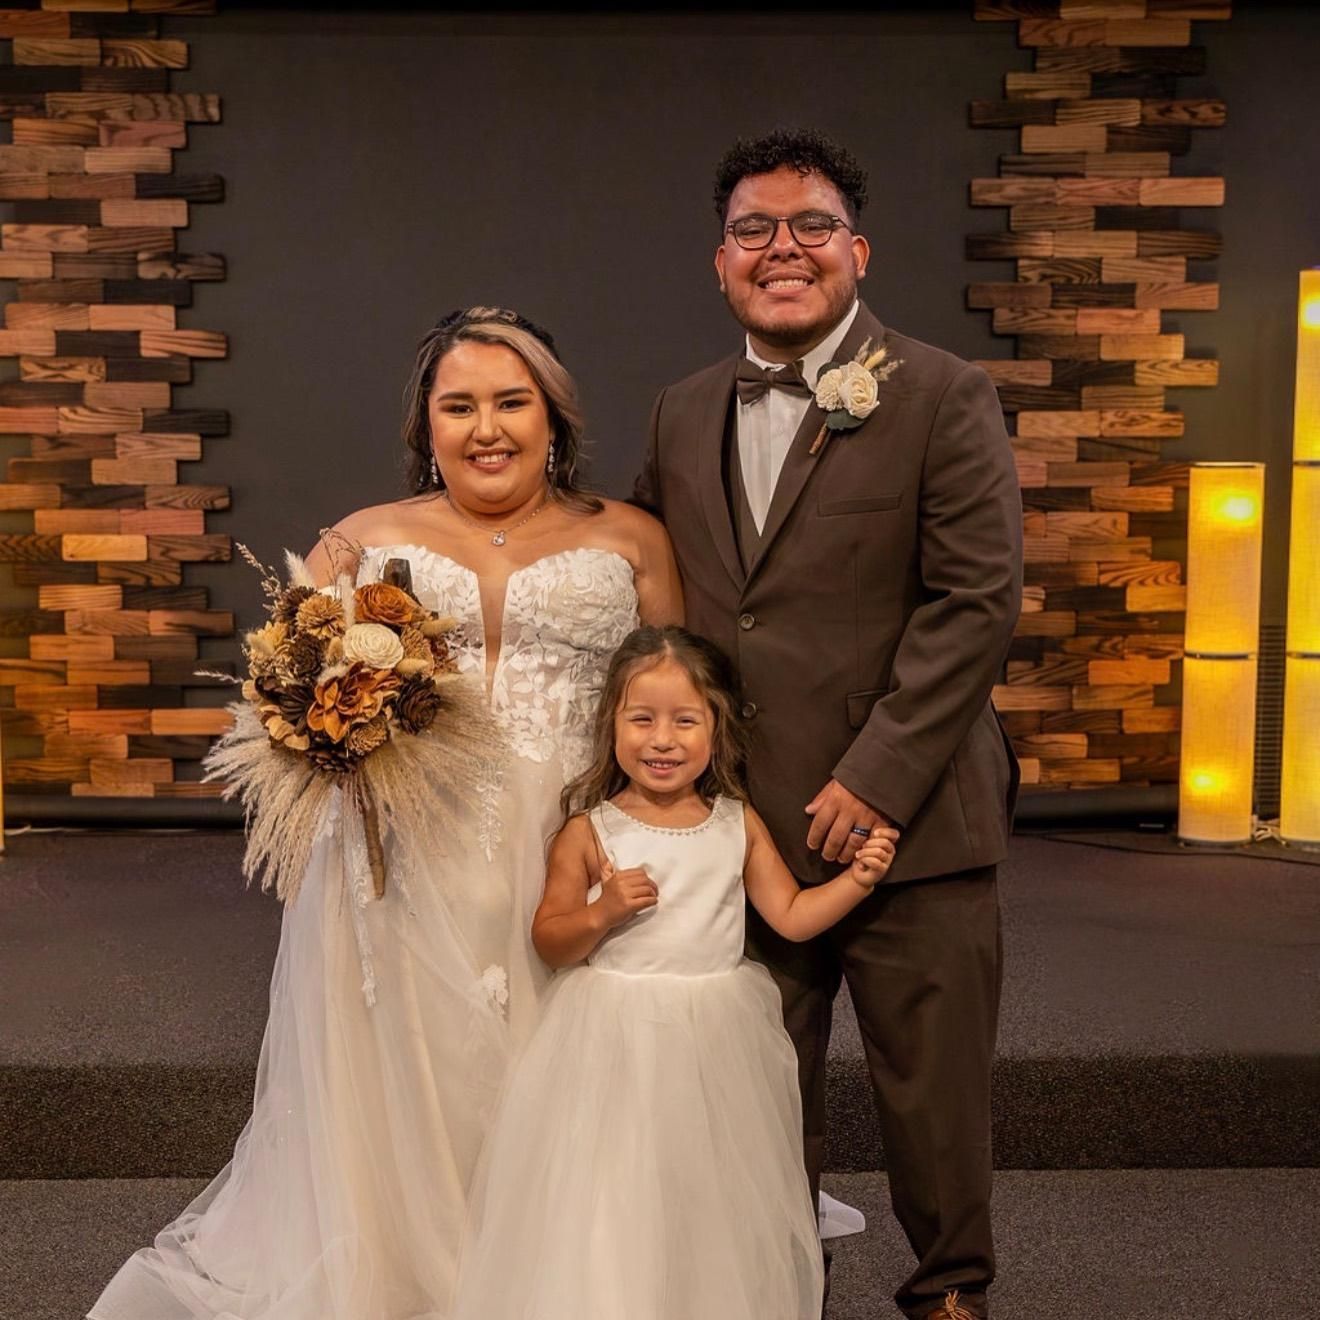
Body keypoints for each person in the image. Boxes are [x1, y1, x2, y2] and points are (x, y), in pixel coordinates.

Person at [90, 307, 682, 1320]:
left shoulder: (631, 538)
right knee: (417, 1068)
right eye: (459, 406)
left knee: (568, 1057)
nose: (486, 428)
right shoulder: (360, 540)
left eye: (512, 402)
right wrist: (323, 727)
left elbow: (679, 694)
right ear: (426, 425)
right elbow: (282, 693)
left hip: (575, 847)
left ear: (553, 418)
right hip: (409, 857)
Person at [634, 130, 1023, 1319]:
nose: (783, 249)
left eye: (811, 225)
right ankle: (779, 1289)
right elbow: (656, 592)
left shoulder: (943, 392)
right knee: (757, 1089)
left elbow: (975, 601)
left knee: (932, 1093)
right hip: (746, 824)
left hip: (912, 820)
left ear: (859, 251)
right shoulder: (682, 410)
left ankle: (950, 1294)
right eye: (753, 229)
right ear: (720, 261)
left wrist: (878, 776)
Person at [450, 625, 898, 1320]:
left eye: (685, 721)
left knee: (704, 1189)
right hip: (611, 1044)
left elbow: (791, 916)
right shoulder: (589, 830)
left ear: (718, 729)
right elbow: (550, 939)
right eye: (642, 720)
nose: (662, 740)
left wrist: (857, 882)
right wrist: (602, 911)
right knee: (613, 1186)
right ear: (612, 724)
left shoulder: (737, 824)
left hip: (714, 1042)